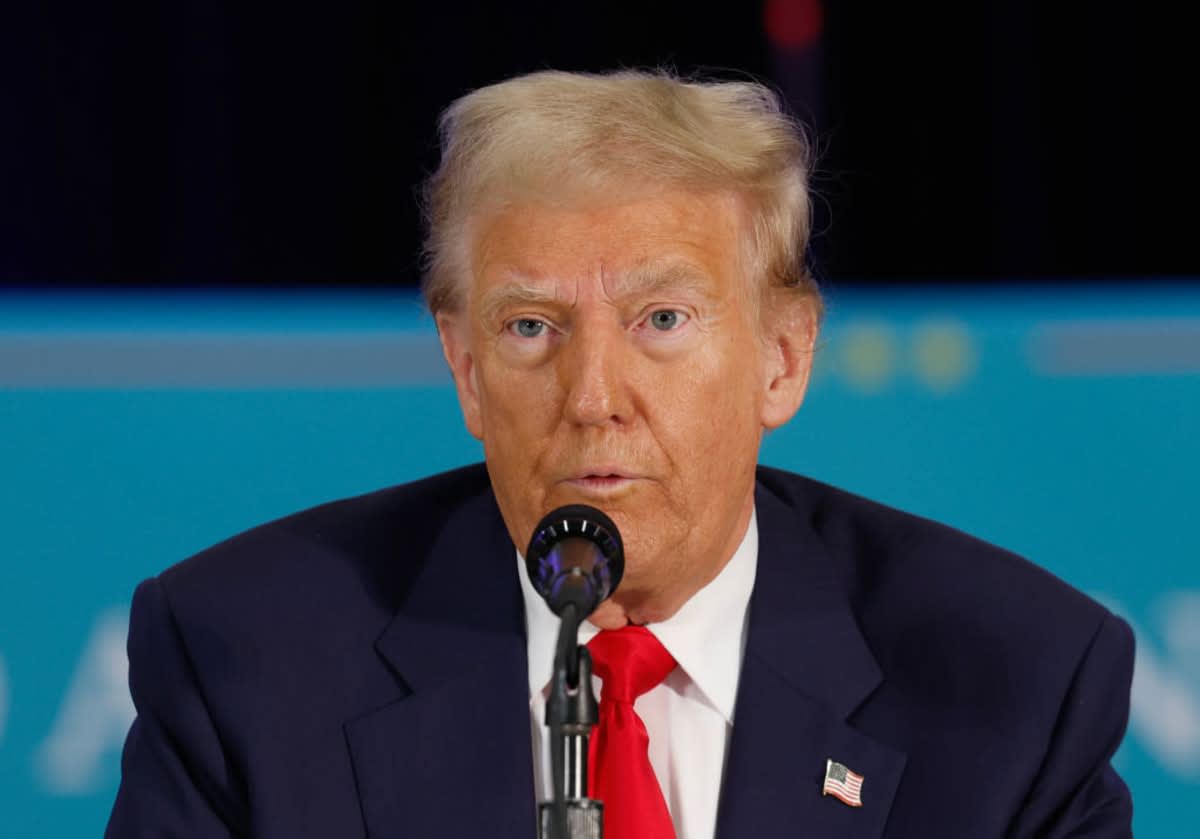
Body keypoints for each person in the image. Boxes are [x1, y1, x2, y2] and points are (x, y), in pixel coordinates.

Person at [106, 69, 1135, 838]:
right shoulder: (243, 664)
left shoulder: (1015, 685)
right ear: (464, 369)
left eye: (662, 317)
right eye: (528, 328)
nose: (593, 398)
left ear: (782, 357)